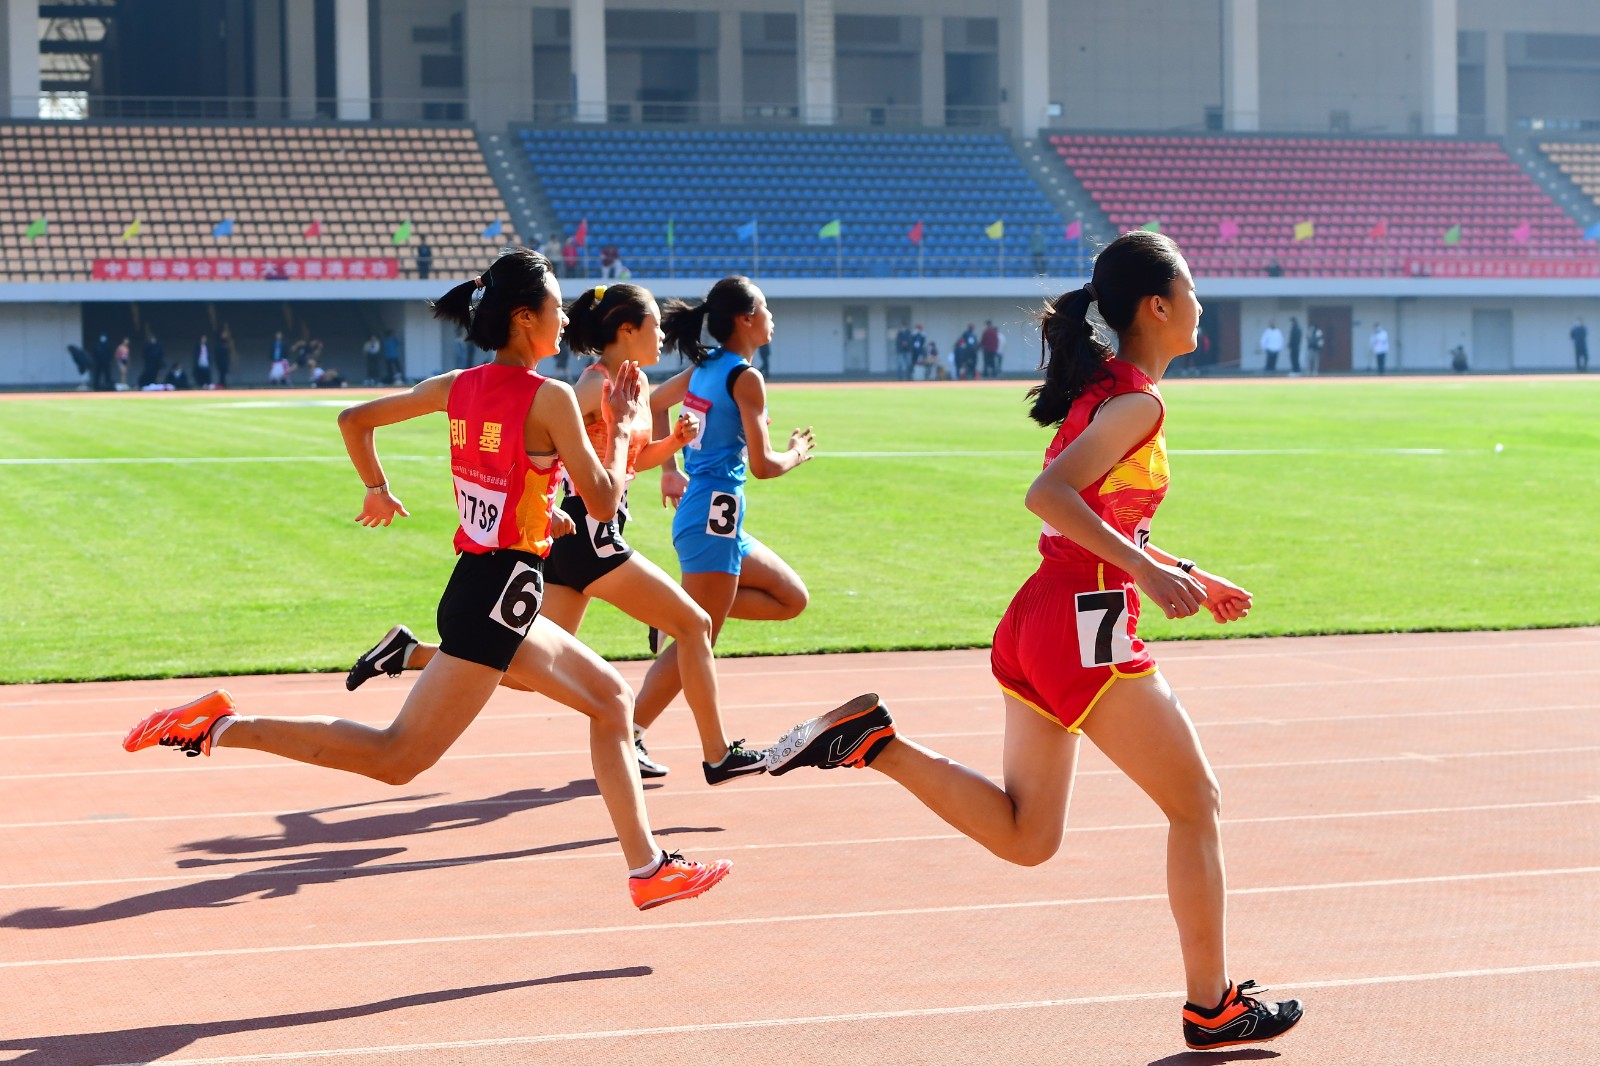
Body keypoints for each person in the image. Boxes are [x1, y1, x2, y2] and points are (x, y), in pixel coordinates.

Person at [763, 230, 1303, 1053]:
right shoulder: (1139, 403)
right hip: (1084, 620)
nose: (1203, 305)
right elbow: (1049, 496)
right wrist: (1147, 576)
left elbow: (1101, 516)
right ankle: (1212, 1005)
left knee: (1028, 836)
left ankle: (874, 742)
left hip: (1039, 620)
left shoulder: (1110, 393)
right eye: (1192, 290)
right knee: (1196, 806)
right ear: (1157, 307)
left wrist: (1184, 568)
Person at [121, 247, 732, 912]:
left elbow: (353, 421)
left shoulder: (455, 386)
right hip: (500, 598)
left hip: (489, 585)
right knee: (397, 758)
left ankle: (648, 869)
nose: (565, 318)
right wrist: (615, 432)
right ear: (526, 318)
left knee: (609, 702)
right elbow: (608, 503)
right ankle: (221, 724)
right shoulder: (553, 398)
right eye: (556, 307)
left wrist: (382, 489)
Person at [348, 282, 769, 786]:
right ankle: (716, 753)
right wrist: (565, 487)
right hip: (589, 532)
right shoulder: (591, 388)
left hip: (572, 534)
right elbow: (568, 461)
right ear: (627, 330)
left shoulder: (626, 385)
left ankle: (410, 653)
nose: (663, 335)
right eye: (655, 324)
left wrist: (669, 445)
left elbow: (627, 462)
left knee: (528, 673)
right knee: (695, 625)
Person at [626, 276, 815, 778]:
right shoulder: (743, 377)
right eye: (767, 308)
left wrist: (670, 468)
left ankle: (678, 607)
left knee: (790, 598)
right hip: (713, 515)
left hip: (715, 517)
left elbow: (655, 403)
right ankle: (631, 732)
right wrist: (796, 453)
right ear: (746, 318)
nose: (773, 317)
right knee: (698, 637)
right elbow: (763, 465)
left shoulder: (706, 366)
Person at [216, 324, 234, 389]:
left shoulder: (225, 343)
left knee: (224, 374)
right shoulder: (219, 343)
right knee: (222, 374)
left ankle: (223, 384)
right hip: (221, 362)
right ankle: (221, 385)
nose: (225, 335)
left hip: (225, 361)